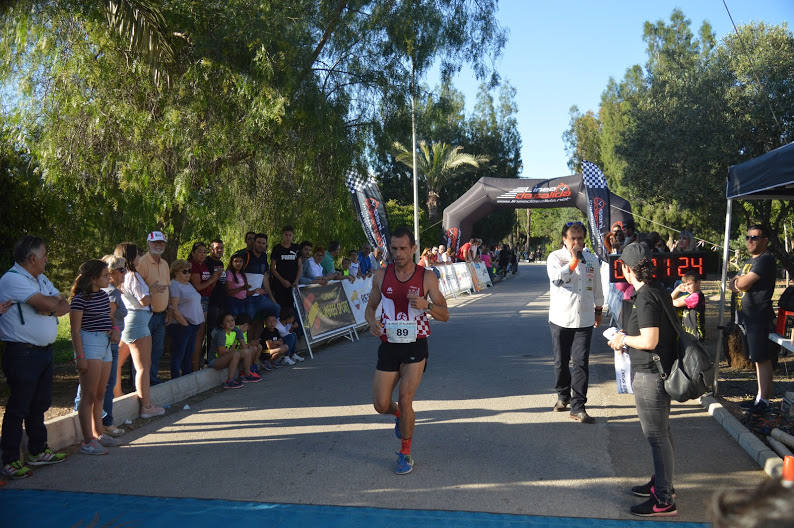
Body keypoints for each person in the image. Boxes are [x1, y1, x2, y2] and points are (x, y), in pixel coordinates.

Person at [365, 225, 450, 475]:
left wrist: (427, 305)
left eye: (403, 248)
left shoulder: (427, 277)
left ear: (413, 249)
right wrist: (372, 323)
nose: (398, 253)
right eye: (394, 248)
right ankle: (400, 415)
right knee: (381, 404)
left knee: (405, 398)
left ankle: (405, 453)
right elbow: (370, 308)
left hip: (416, 344)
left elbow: (445, 314)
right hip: (389, 345)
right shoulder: (381, 275)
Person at [607, 242, 678, 517]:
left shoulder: (646, 296)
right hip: (657, 371)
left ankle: (664, 499)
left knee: (657, 436)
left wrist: (623, 339)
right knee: (664, 433)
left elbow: (650, 340)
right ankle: (661, 483)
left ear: (626, 268)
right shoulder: (656, 291)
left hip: (650, 375)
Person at [0, 236, 69, 479]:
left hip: (43, 352)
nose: (47, 260)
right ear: (31, 259)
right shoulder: (12, 279)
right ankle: (9, 459)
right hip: (22, 352)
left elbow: (63, 304)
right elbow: (45, 302)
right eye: (44, 256)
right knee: (18, 407)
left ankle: (37, 451)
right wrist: (49, 304)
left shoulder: (39, 278)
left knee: (39, 404)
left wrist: (50, 305)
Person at [546, 221, 604, 423]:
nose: (577, 242)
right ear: (564, 239)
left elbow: (597, 286)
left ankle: (578, 406)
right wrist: (573, 261)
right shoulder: (555, 257)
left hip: (585, 318)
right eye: (573, 238)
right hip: (561, 318)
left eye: (580, 238)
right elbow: (557, 280)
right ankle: (563, 396)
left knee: (581, 363)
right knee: (561, 361)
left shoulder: (591, 260)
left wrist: (598, 309)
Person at [70, 259, 120, 455]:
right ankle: (87, 440)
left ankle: (98, 433)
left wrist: (115, 329)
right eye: (105, 275)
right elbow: (74, 330)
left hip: (105, 344)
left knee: (101, 392)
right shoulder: (79, 299)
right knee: (88, 394)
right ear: (93, 278)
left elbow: (109, 317)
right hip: (88, 344)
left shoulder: (102, 296)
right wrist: (80, 356)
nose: (109, 278)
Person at [729, 224, 777, 414]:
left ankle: (764, 400)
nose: (750, 241)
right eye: (748, 237)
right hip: (747, 317)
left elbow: (743, 282)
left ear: (765, 240)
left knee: (762, 358)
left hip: (759, 316)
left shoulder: (765, 260)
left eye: (754, 238)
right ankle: (759, 397)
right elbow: (736, 283)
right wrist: (737, 283)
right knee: (755, 359)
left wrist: (738, 283)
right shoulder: (750, 261)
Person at [117, 242, 165, 419]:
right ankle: (146, 406)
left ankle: (117, 394)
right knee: (143, 366)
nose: (140, 256)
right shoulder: (133, 276)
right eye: (137, 254)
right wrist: (152, 294)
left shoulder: (125, 276)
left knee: (118, 362)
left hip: (131, 320)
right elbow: (144, 300)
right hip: (138, 321)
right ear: (131, 257)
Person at [136, 231, 170, 385]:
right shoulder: (142, 263)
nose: (158, 245)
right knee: (142, 352)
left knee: (156, 351)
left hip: (161, 314)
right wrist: (150, 290)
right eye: (155, 242)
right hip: (146, 315)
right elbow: (135, 290)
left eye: (161, 243)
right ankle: (140, 383)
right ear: (148, 244)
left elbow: (167, 288)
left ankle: (152, 379)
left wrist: (169, 310)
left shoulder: (164, 263)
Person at [102, 254, 127, 435]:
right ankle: (107, 422)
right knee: (107, 383)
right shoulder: (111, 291)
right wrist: (116, 330)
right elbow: (109, 316)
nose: (124, 273)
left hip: (107, 342)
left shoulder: (111, 290)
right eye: (121, 270)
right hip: (110, 342)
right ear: (111, 273)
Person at [168, 259, 204, 378]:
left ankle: (186, 379)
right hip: (181, 325)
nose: (188, 274)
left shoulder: (188, 284)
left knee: (188, 354)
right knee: (179, 354)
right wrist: (185, 325)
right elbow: (173, 307)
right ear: (176, 272)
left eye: (189, 271)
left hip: (193, 325)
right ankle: (175, 380)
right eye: (184, 271)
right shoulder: (174, 285)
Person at [189, 242, 221, 371]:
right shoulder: (193, 266)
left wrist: (214, 279)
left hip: (206, 299)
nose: (202, 254)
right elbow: (198, 287)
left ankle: (198, 363)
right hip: (198, 300)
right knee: (199, 333)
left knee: (202, 333)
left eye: (204, 252)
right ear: (193, 253)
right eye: (200, 251)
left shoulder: (204, 266)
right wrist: (214, 278)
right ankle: (194, 365)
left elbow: (208, 286)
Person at [244, 233, 281, 342]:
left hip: (260, 298)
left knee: (276, 307)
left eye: (263, 243)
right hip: (248, 298)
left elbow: (265, 278)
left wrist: (271, 298)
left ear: (266, 245)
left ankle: (269, 340)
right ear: (254, 243)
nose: (261, 245)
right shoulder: (245, 255)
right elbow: (236, 274)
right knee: (249, 325)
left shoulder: (264, 257)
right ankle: (247, 352)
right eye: (258, 242)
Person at [209, 313, 260, 389]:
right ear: (222, 325)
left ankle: (247, 375)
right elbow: (221, 353)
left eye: (232, 320)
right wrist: (233, 350)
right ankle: (229, 381)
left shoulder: (236, 331)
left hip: (228, 357)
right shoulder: (221, 334)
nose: (231, 323)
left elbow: (244, 346)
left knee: (247, 351)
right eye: (227, 321)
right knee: (235, 353)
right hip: (216, 360)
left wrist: (247, 345)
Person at [270, 226, 302, 312]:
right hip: (280, 284)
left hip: (293, 284)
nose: (288, 237)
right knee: (281, 308)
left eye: (290, 235)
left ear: (292, 236)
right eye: (286, 235)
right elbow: (272, 268)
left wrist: (296, 281)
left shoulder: (296, 248)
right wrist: (282, 280)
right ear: (282, 235)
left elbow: (300, 266)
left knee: (293, 308)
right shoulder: (277, 248)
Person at [205, 239, 227, 362]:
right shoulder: (207, 262)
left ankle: (219, 355)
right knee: (211, 331)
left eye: (222, 248)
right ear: (211, 249)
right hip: (211, 302)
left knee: (220, 330)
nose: (220, 250)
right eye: (217, 248)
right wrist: (215, 277)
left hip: (221, 301)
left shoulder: (221, 263)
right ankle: (210, 358)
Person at [671, 271, 705, 341]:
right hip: (688, 334)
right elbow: (672, 299)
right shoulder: (690, 295)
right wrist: (677, 290)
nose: (687, 288)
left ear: (698, 282)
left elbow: (676, 303)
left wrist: (668, 301)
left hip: (695, 335)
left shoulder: (697, 296)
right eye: (685, 285)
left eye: (689, 284)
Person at [224, 252, 250, 317]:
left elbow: (246, 292)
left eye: (240, 261)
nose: (238, 263)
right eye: (236, 261)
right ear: (231, 263)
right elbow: (228, 292)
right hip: (233, 302)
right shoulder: (229, 273)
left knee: (243, 322)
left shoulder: (242, 274)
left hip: (243, 301)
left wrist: (256, 291)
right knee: (233, 322)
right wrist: (242, 288)